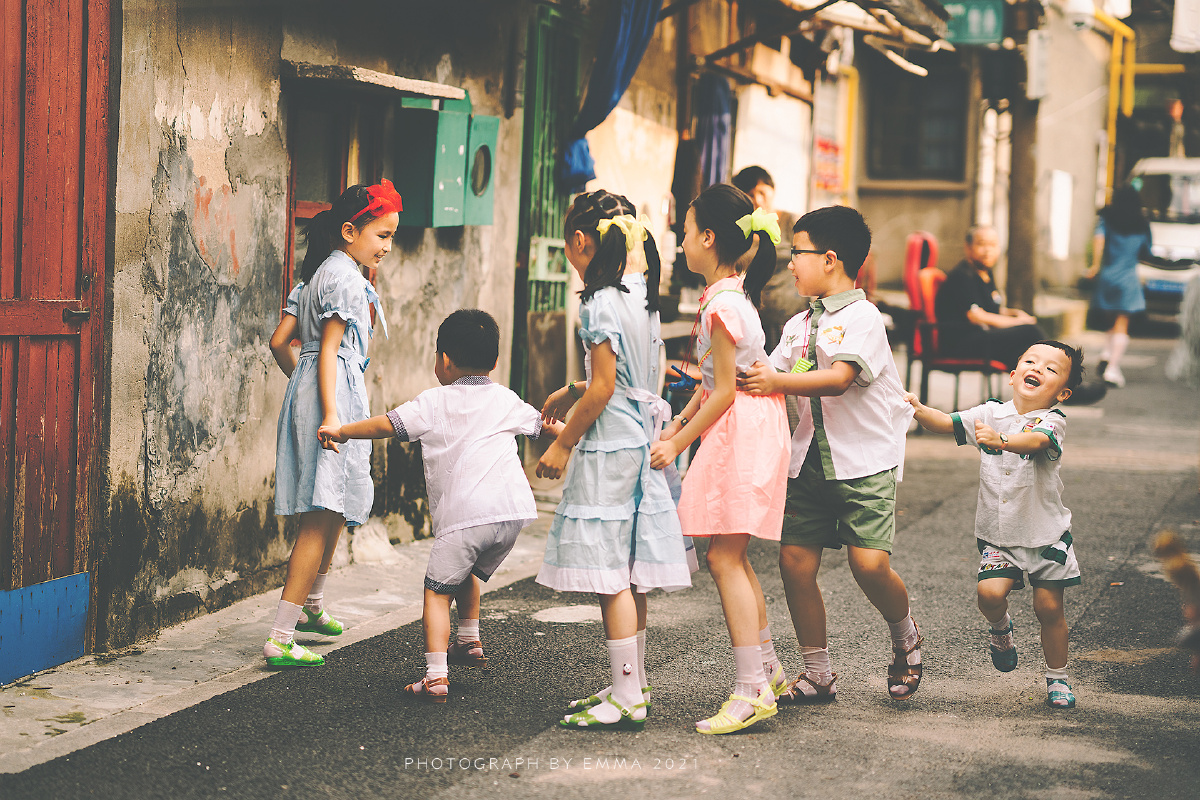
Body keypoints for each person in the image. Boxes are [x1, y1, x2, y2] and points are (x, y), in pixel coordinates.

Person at [319, 309, 560, 701]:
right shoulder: (504, 398)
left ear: (444, 360)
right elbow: (547, 426)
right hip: (513, 513)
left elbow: (386, 424)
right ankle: (468, 639)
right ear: (495, 362)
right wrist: (571, 441)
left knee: (436, 592)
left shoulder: (434, 402)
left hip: (466, 515)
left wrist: (343, 431)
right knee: (464, 572)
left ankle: (434, 676)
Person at [739, 206, 923, 703]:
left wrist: (776, 379)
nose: (790, 264)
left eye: (796, 253)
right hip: (808, 463)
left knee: (869, 566)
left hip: (864, 463)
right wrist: (717, 380)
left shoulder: (864, 317)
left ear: (831, 258)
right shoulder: (799, 324)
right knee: (795, 564)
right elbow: (766, 376)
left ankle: (905, 635)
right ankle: (817, 673)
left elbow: (840, 380)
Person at [534, 191, 693, 731]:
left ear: (581, 241)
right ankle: (632, 682)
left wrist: (563, 443)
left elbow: (604, 389)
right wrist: (573, 387)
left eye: (567, 247)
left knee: (609, 574)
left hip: (611, 445)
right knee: (630, 570)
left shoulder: (599, 302)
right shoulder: (639, 294)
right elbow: (629, 378)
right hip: (640, 439)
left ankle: (628, 695)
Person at [649, 183, 791, 734]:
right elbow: (713, 385)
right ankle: (768, 670)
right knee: (733, 554)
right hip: (744, 426)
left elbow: (726, 390)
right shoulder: (728, 295)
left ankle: (751, 688)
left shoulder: (723, 304)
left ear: (708, 238)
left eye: (685, 233)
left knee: (724, 559)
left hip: (743, 429)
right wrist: (681, 423)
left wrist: (676, 444)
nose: (681, 242)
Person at [906, 340, 1084, 710]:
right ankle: (1001, 630)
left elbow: (1036, 442)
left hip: (1045, 536)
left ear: (1062, 393)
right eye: (1031, 362)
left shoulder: (1053, 421)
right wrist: (919, 410)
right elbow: (948, 422)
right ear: (1014, 375)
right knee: (988, 595)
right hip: (999, 536)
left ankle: (1058, 678)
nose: (1038, 369)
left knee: (1049, 609)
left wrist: (1002, 440)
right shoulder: (990, 413)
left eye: (1051, 369)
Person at [266, 180, 401, 667]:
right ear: (350, 230)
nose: (386, 247)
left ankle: (313, 606)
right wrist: (327, 409)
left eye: (391, 237)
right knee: (323, 511)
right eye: (381, 235)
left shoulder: (318, 274)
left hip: (318, 388)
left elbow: (282, 342)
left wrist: (303, 387)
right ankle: (280, 636)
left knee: (336, 501)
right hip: (333, 396)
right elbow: (326, 350)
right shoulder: (344, 278)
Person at [934, 225, 1046, 370]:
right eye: (981, 244)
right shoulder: (962, 275)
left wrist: (1014, 313)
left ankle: (1053, 388)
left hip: (981, 337)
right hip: (961, 342)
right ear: (968, 248)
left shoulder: (986, 274)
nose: (988, 250)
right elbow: (976, 316)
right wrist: (1018, 322)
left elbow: (991, 308)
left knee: (1025, 356)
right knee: (1031, 331)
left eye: (993, 245)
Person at [1085, 186, 1152, 388]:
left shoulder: (1107, 218)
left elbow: (1099, 239)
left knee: (1110, 321)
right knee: (1122, 324)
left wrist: (1095, 265)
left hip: (1108, 276)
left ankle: (1107, 352)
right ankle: (1113, 368)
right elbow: (1147, 250)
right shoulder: (1141, 223)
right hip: (1128, 278)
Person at [732, 166, 802, 350]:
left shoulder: (791, 223)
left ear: (773, 189)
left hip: (790, 318)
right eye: (750, 194)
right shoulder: (741, 231)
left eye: (762, 192)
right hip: (753, 318)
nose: (758, 200)